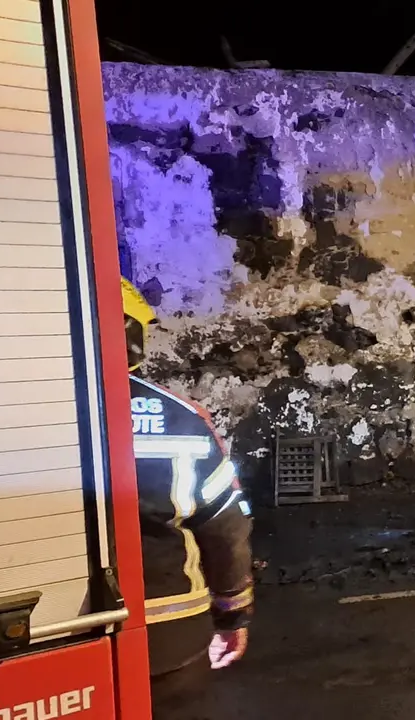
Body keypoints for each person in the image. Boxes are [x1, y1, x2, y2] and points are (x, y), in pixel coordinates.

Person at [122, 278, 255, 713]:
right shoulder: (181, 419)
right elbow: (225, 529)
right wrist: (233, 615)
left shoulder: (17, 417)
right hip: (168, 641)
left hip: (48, 636)